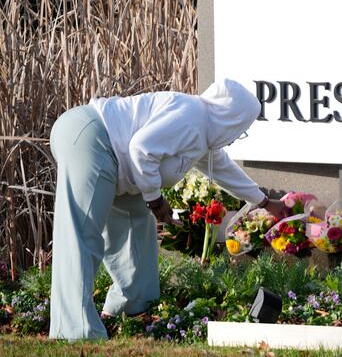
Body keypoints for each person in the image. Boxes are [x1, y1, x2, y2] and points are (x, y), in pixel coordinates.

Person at [48, 79, 290, 340]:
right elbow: (141, 148)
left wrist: (266, 203)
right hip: (90, 138)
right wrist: (155, 200)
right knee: (81, 233)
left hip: (118, 162)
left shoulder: (204, 132)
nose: (236, 136)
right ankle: (74, 330)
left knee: (136, 229)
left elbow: (224, 170)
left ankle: (133, 308)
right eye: (241, 129)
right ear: (232, 119)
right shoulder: (192, 115)